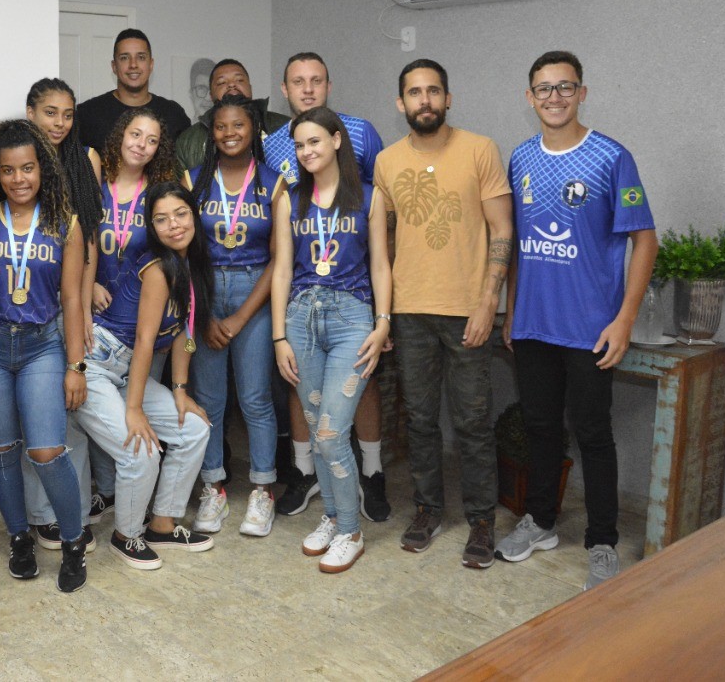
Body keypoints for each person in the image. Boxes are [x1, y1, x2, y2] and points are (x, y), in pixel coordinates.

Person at [498, 51, 657, 589]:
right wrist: (512, 310)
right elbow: (517, 245)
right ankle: (541, 522)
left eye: (565, 87)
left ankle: (603, 541)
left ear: (582, 92)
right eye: (544, 89)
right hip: (534, 324)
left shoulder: (610, 157)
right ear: (530, 98)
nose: (555, 97)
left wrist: (624, 319)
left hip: (591, 328)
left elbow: (645, 239)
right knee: (541, 428)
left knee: (593, 434)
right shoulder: (520, 159)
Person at [375, 58, 513, 569]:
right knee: (420, 421)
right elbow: (384, 242)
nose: (425, 100)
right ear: (401, 104)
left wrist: (488, 303)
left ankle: (481, 520)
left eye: (434, 91)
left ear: (448, 98)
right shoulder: (387, 162)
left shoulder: (480, 150)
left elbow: (502, 230)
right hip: (410, 311)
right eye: (415, 92)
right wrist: (384, 313)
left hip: (466, 312)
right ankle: (428, 509)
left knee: (474, 422)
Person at [0, 119, 91, 593]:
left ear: (42, 170)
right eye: (9, 170)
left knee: (47, 451)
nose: (19, 179)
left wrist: (76, 366)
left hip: (42, 346)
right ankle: (19, 538)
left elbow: (73, 299)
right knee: (1, 450)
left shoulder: (65, 223)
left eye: (28, 168)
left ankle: (73, 543)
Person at [263, 53, 390, 524]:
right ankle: (333, 514)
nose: (306, 150)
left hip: (352, 311)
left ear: (337, 141)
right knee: (319, 425)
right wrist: (278, 335)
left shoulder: (368, 184)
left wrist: (383, 320)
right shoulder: (287, 195)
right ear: (285, 88)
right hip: (300, 314)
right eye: (300, 145)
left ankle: (355, 512)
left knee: (334, 430)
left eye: (315, 141)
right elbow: (280, 268)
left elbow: (381, 261)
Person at [79, 180, 214, 569]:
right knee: (141, 448)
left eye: (181, 214)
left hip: (123, 373)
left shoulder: (192, 264)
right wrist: (134, 409)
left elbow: (184, 335)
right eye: (161, 219)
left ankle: (162, 524)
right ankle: (127, 536)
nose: (173, 225)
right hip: (100, 365)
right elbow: (143, 341)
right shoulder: (158, 267)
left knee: (193, 429)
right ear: (151, 227)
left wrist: (181, 390)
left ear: (193, 215)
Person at [182, 93, 284, 536]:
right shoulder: (194, 180)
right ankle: (214, 489)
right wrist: (201, 314)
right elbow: (182, 250)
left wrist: (241, 317)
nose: (229, 134)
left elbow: (280, 260)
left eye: (238, 125)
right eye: (221, 126)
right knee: (208, 400)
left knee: (256, 398)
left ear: (253, 130)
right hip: (203, 290)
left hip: (254, 293)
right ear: (211, 132)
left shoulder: (274, 182)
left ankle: (263, 490)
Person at [21, 78, 113, 540]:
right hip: (32, 302)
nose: (60, 122)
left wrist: (88, 287)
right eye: (50, 112)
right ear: (31, 112)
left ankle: (71, 506)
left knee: (73, 408)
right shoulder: (19, 157)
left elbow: (90, 232)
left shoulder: (86, 158)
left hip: (72, 300)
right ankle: (47, 514)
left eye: (67, 114)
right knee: (44, 415)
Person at [75, 29, 190, 156]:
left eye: (141, 57)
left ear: (151, 64)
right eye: (124, 58)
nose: (133, 64)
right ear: (114, 66)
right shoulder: (88, 114)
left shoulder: (173, 114)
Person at [174, 58, 290, 173]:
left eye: (239, 80)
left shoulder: (286, 127)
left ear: (250, 88)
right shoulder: (187, 141)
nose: (231, 85)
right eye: (222, 82)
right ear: (210, 94)